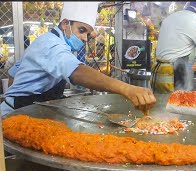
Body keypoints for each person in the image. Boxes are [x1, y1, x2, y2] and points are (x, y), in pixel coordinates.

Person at [1, 2, 156, 117]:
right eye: (81, 30)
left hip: (28, 110)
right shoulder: (52, 44)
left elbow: (14, 72)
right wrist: (127, 89)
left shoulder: (49, 40)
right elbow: (77, 72)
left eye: (87, 34)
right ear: (65, 24)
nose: (84, 38)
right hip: (15, 115)